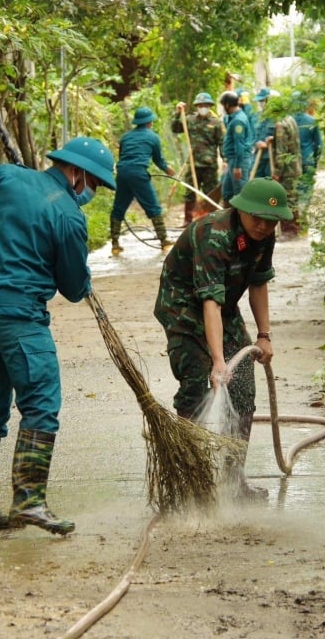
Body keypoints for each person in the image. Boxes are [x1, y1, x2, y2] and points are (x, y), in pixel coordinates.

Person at [0, 92, 116, 535]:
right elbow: (73, 288)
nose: (92, 193)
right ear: (77, 174)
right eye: (94, 184)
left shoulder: (8, 178)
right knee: (41, 403)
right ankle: (29, 500)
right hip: (19, 314)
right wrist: (81, 269)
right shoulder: (68, 216)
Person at [153, 178, 293, 502]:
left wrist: (264, 335)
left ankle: (233, 483)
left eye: (270, 220)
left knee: (243, 386)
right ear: (240, 209)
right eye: (256, 217)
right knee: (195, 383)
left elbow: (258, 283)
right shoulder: (214, 234)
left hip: (223, 308)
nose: (262, 225)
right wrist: (217, 361)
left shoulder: (264, 237)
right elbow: (209, 302)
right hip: (184, 308)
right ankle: (189, 484)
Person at [109, 106, 176, 255]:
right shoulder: (153, 137)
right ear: (149, 122)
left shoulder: (125, 137)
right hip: (138, 173)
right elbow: (158, 160)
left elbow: (123, 157)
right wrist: (168, 170)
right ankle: (164, 239)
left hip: (122, 173)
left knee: (118, 207)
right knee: (153, 206)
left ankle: (115, 244)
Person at [171, 92, 224, 226]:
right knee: (189, 193)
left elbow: (222, 142)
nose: (203, 107)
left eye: (205, 105)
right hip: (193, 164)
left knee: (210, 194)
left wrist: (225, 160)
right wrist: (178, 113)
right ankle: (188, 221)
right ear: (197, 106)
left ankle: (210, 220)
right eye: (200, 105)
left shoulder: (216, 123)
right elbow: (175, 128)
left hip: (209, 165)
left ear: (209, 106)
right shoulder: (189, 119)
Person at [264, 95, 303, 240]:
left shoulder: (280, 124)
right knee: (293, 198)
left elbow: (281, 152)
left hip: (287, 170)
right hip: (296, 167)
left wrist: (276, 173)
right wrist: (273, 139)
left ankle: (290, 231)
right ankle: (296, 228)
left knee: (286, 199)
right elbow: (289, 141)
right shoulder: (290, 119)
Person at [292, 92, 323, 220]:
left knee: (293, 191)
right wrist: (315, 160)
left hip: (292, 162)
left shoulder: (288, 120)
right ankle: (303, 219)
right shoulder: (311, 121)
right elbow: (319, 145)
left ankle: (294, 220)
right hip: (308, 160)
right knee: (306, 191)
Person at [218, 91, 253, 204]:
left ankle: (243, 220)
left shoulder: (238, 121)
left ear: (227, 105)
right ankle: (229, 219)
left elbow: (240, 145)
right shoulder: (234, 118)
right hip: (232, 161)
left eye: (223, 105)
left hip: (239, 161)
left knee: (240, 194)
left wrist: (237, 167)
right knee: (227, 192)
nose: (223, 108)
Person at [250, 88, 278, 179]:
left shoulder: (277, 117)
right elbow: (251, 136)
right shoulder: (255, 117)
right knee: (255, 182)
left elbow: (283, 138)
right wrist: (256, 143)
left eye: (263, 100)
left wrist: (272, 140)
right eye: (260, 101)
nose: (261, 103)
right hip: (258, 158)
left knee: (270, 185)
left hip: (272, 158)